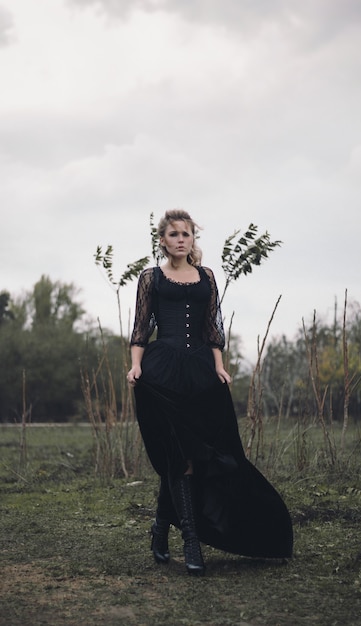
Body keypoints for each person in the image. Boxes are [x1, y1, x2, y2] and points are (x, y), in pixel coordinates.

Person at [127, 209, 293, 576]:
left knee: (202, 454)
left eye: (186, 234)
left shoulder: (207, 276)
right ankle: (190, 539)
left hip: (201, 372)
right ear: (163, 241)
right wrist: (136, 365)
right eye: (173, 234)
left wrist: (219, 365)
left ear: (192, 239)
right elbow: (141, 327)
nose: (180, 239)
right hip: (163, 372)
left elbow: (212, 324)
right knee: (180, 455)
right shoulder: (150, 278)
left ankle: (159, 528)